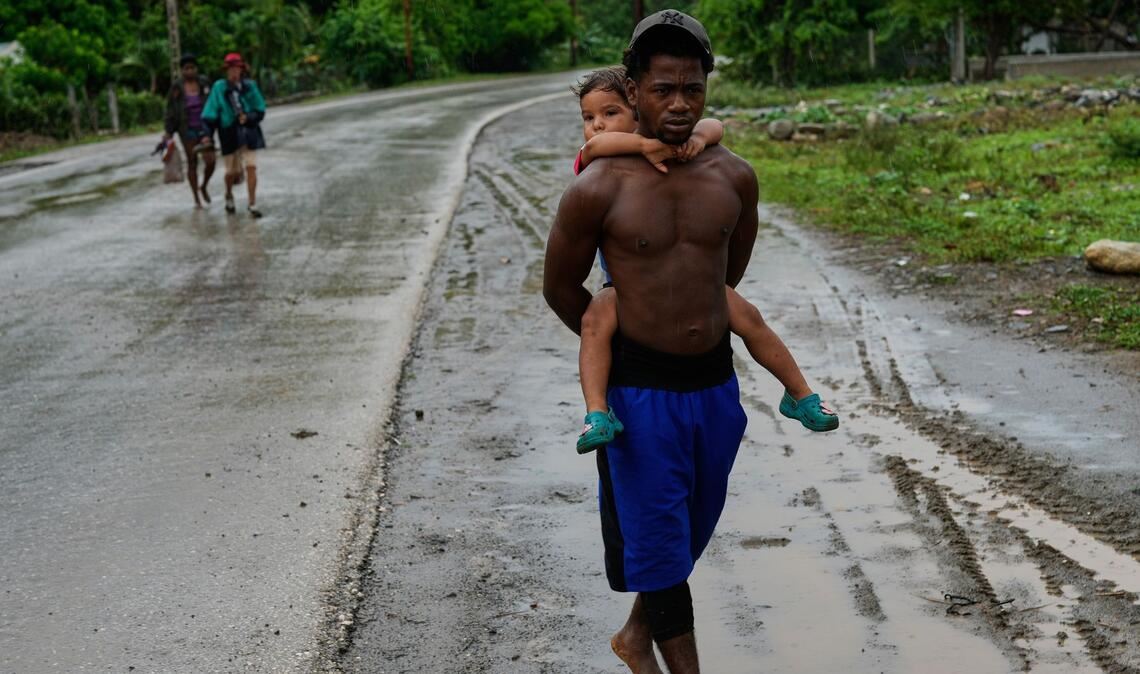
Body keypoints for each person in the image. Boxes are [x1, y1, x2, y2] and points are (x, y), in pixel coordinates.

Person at [544, 10, 811, 673]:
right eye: (663, 88)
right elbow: (559, 287)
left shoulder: (734, 177)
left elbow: (726, 274)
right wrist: (621, 333)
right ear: (633, 90)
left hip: (715, 388)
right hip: (639, 396)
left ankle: (637, 636)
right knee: (662, 548)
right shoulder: (597, 187)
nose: (679, 103)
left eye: (692, 88)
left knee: (688, 531)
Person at [569, 67, 838, 455]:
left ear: (639, 110)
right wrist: (643, 148)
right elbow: (593, 149)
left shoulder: (678, 151)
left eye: (609, 114)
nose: (596, 126)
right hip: (628, 291)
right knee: (595, 320)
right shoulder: (599, 164)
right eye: (588, 117)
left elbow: (715, 125)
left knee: (748, 316)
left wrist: (696, 137)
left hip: (695, 286)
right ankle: (597, 412)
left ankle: (799, 394)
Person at [202, 52, 266, 218]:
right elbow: (210, 114)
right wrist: (207, 135)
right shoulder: (219, 88)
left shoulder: (250, 87)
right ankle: (229, 194)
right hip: (228, 133)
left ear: (241, 69)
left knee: (251, 166)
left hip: (249, 132)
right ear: (226, 71)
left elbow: (260, 109)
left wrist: (249, 117)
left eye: (236, 68)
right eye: (230, 69)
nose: (233, 72)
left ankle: (252, 203)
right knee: (231, 172)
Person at [163, 53, 216, 209]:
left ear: (196, 68)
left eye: (192, 68)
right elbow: (170, 110)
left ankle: (204, 185)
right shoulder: (177, 88)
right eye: (186, 68)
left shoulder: (205, 83)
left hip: (205, 128)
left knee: (211, 161)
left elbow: (214, 102)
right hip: (186, 129)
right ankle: (196, 199)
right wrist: (168, 131)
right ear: (181, 70)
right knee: (192, 162)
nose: (190, 71)